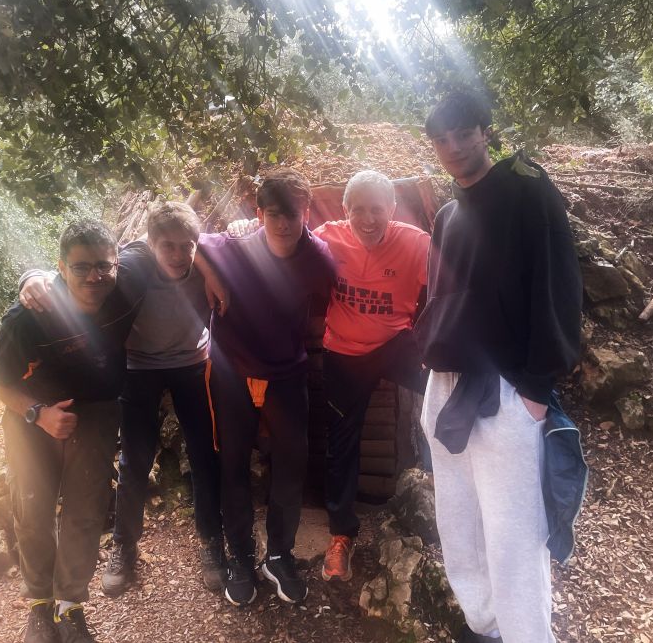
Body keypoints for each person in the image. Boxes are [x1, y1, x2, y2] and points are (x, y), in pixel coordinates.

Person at [415, 90, 585, 643]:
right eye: (441, 139)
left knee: (513, 534)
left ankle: (527, 636)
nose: (453, 147)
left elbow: (558, 286)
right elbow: (440, 298)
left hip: (508, 391)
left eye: (464, 133)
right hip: (446, 388)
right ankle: (482, 625)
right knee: (459, 525)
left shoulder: (527, 193)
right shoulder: (445, 216)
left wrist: (537, 385)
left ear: (486, 132)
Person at [227, 170, 430, 582]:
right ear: (345, 210)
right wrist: (247, 226)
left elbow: (455, 286)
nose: (368, 219)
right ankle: (341, 536)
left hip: (396, 343)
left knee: (448, 398)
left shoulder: (417, 244)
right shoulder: (327, 237)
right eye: (359, 210)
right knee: (342, 443)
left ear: (391, 209)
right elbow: (281, 238)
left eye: (377, 210)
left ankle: (445, 502)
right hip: (345, 352)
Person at [18, 203, 228, 596]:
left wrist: (208, 267)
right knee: (135, 460)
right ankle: (124, 546)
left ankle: (212, 541)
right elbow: (86, 273)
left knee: (204, 454)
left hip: (191, 363)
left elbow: (231, 243)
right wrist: (34, 276)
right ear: (150, 244)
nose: (180, 256)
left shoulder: (199, 259)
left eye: (188, 247)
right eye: (169, 247)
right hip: (138, 368)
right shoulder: (133, 265)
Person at [0, 218, 142, 643]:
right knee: (33, 509)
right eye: (80, 267)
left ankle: (70, 605)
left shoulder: (125, 289)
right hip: (32, 421)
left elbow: (168, 236)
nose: (95, 276)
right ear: (60, 267)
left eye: (103, 266)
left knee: (86, 512)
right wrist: (38, 413)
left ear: (116, 263)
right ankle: (39, 606)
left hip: (96, 413)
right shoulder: (28, 316)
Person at [196, 169, 336, 606]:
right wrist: (208, 272)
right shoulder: (231, 247)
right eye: (273, 214)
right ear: (258, 213)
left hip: (286, 373)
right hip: (232, 370)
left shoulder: (318, 259)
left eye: (293, 213)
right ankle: (240, 556)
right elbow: (187, 238)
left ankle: (279, 553)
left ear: (306, 212)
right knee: (232, 465)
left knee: (292, 465)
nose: (284, 223)